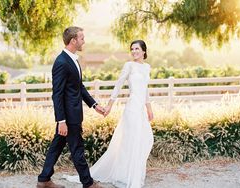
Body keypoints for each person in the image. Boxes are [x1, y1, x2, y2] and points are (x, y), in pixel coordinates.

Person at [65, 40, 154, 188]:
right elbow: (118, 85)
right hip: (132, 108)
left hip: (141, 110)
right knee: (131, 140)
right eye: (132, 49)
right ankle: (127, 176)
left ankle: (133, 173)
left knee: (144, 139)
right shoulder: (129, 66)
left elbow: (145, 90)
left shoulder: (147, 67)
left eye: (137, 48)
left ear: (144, 51)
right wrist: (109, 106)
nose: (134, 51)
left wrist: (149, 108)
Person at [37, 26, 105, 188]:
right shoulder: (61, 62)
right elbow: (57, 94)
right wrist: (61, 120)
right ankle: (88, 183)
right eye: (82, 38)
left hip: (72, 114)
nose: (84, 41)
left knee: (57, 146)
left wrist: (94, 105)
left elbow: (78, 87)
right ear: (73, 40)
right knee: (77, 149)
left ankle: (44, 179)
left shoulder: (72, 59)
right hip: (68, 116)